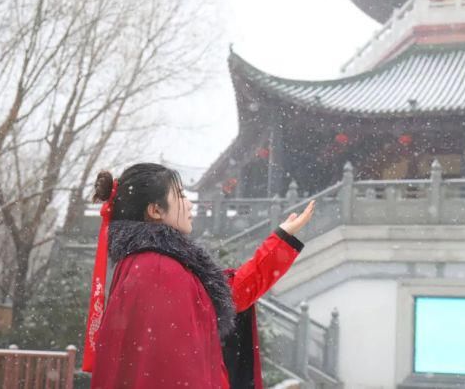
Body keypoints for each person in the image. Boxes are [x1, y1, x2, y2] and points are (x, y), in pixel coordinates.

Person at [82, 163, 315, 388]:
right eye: (181, 196)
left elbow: (225, 296)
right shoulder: (159, 268)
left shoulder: (159, 263)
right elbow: (174, 371)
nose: (190, 204)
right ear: (155, 210)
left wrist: (281, 239)